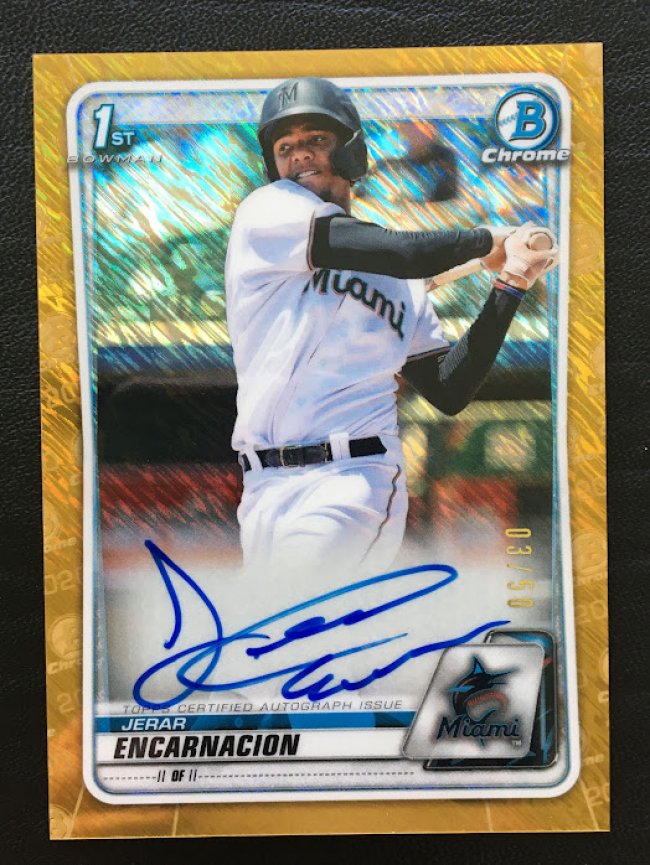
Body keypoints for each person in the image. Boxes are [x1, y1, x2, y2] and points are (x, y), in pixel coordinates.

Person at [225, 77, 557, 582]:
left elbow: (448, 388)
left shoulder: (404, 284)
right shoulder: (265, 212)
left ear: (351, 150)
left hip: (351, 478)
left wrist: (511, 284)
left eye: (317, 139)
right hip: (261, 489)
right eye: (285, 146)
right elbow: (401, 251)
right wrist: (488, 239)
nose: (300, 154)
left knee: (285, 607)